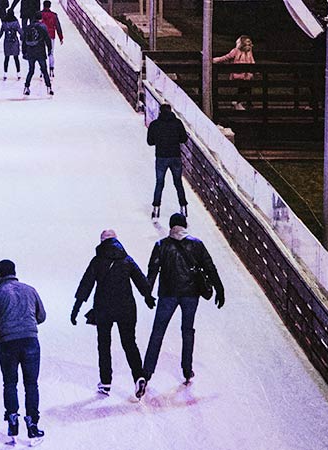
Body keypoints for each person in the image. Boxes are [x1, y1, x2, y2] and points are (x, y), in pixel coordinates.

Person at [71, 230, 156, 399]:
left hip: (104, 308)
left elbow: (86, 284)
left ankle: (106, 382)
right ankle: (138, 376)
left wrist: (77, 307)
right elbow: (141, 280)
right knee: (129, 343)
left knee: (104, 344)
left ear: (102, 242)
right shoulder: (126, 260)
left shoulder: (97, 261)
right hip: (126, 307)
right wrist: (147, 296)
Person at [143, 213, 225, 386]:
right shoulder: (197, 244)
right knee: (187, 331)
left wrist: (147, 294)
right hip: (190, 294)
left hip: (167, 294)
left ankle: (147, 371)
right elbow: (210, 268)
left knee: (158, 331)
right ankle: (187, 369)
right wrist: (219, 289)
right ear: (185, 225)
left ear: (171, 226)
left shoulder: (161, 245)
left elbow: (152, 272)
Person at [0, 260, 47, 445]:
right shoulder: (30, 290)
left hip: (7, 344)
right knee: (31, 385)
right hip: (30, 341)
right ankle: (32, 427)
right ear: (14, 272)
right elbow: (42, 316)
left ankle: (12, 423)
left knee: (10, 383)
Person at [147, 103, 188, 219]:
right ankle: (183, 207)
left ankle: (156, 208)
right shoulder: (177, 123)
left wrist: (159, 141)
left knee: (159, 183)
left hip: (161, 157)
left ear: (160, 111)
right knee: (178, 182)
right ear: (171, 111)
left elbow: (150, 141)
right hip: (175, 156)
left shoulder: (155, 124)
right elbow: (184, 139)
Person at [213, 35, 255, 110]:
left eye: (249, 44)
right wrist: (216, 60)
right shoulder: (236, 51)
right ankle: (238, 102)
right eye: (246, 43)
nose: (248, 45)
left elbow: (252, 60)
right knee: (244, 87)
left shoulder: (249, 52)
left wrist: (254, 69)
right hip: (238, 73)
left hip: (247, 74)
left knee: (246, 88)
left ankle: (239, 102)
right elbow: (227, 57)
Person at [21, 12, 53, 96]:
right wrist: (49, 49)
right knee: (44, 70)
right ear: (41, 18)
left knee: (31, 70)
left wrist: (24, 52)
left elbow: (24, 41)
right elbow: (47, 39)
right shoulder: (43, 27)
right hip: (40, 52)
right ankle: (49, 87)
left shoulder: (28, 28)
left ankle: (26, 87)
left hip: (30, 52)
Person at [40, 1, 63, 78]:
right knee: (51, 53)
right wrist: (61, 37)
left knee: (42, 53)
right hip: (51, 35)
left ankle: (42, 71)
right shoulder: (54, 15)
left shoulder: (40, 14)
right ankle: (51, 69)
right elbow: (58, 26)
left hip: (42, 36)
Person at [0, 10, 23, 81]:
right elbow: (19, 31)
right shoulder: (16, 22)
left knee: (6, 58)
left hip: (7, 41)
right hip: (14, 41)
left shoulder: (4, 22)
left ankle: (5, 74)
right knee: (16, 58)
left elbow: (1, 32)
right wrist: (24, 37)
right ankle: (18, 73)